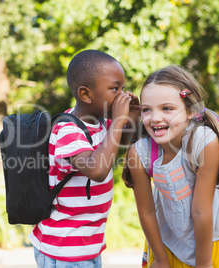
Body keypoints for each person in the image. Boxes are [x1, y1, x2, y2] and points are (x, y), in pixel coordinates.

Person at [122, 65, 219, 268]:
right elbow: (147, 212)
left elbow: (201, 211)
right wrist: (160, 260)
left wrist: (204, 264)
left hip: (213, 232)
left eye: (167, 108)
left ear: (190, 111)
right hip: (165, 235)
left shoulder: (204, 142)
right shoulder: (140, 153)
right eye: (147, 110)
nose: (155, 118)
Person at [28, 49, 140, 267]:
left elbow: (119, 143)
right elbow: (97, 170)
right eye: (114, 89)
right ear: (86, 95)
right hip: (63, 248)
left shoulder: (100, 122)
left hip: (87, 245)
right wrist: (118, 120)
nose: (121, 95)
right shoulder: (67, 130)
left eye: (123, 88)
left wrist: (130, 119)